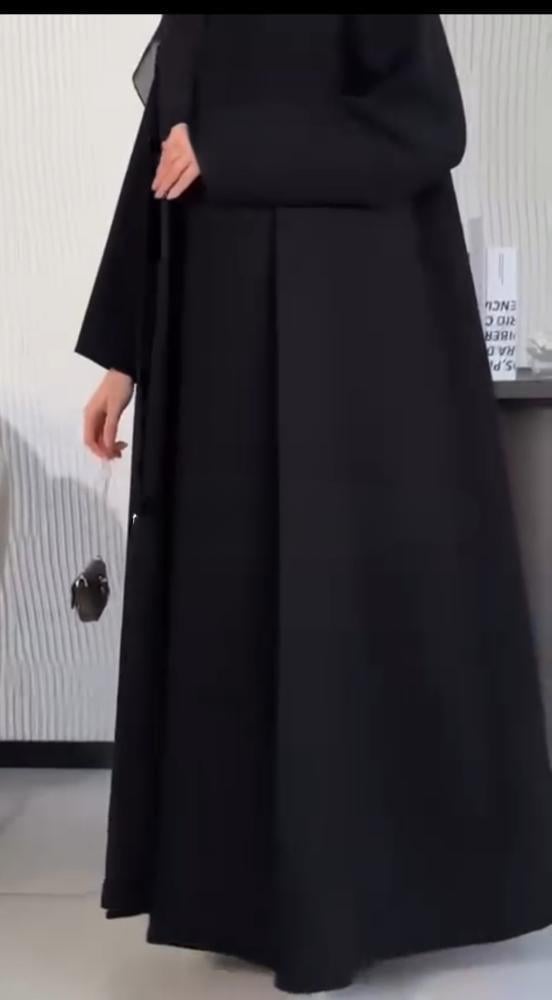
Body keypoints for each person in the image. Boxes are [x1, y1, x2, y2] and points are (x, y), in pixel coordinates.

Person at [75, 15, 552, 996]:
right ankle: (247, 896)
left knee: (332, 623)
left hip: (347, 351)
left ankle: (350, 904)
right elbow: (160, 155)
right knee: (238, 613)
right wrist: (123, 356)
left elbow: (426, 122)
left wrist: (236, 150)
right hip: (219, 357)